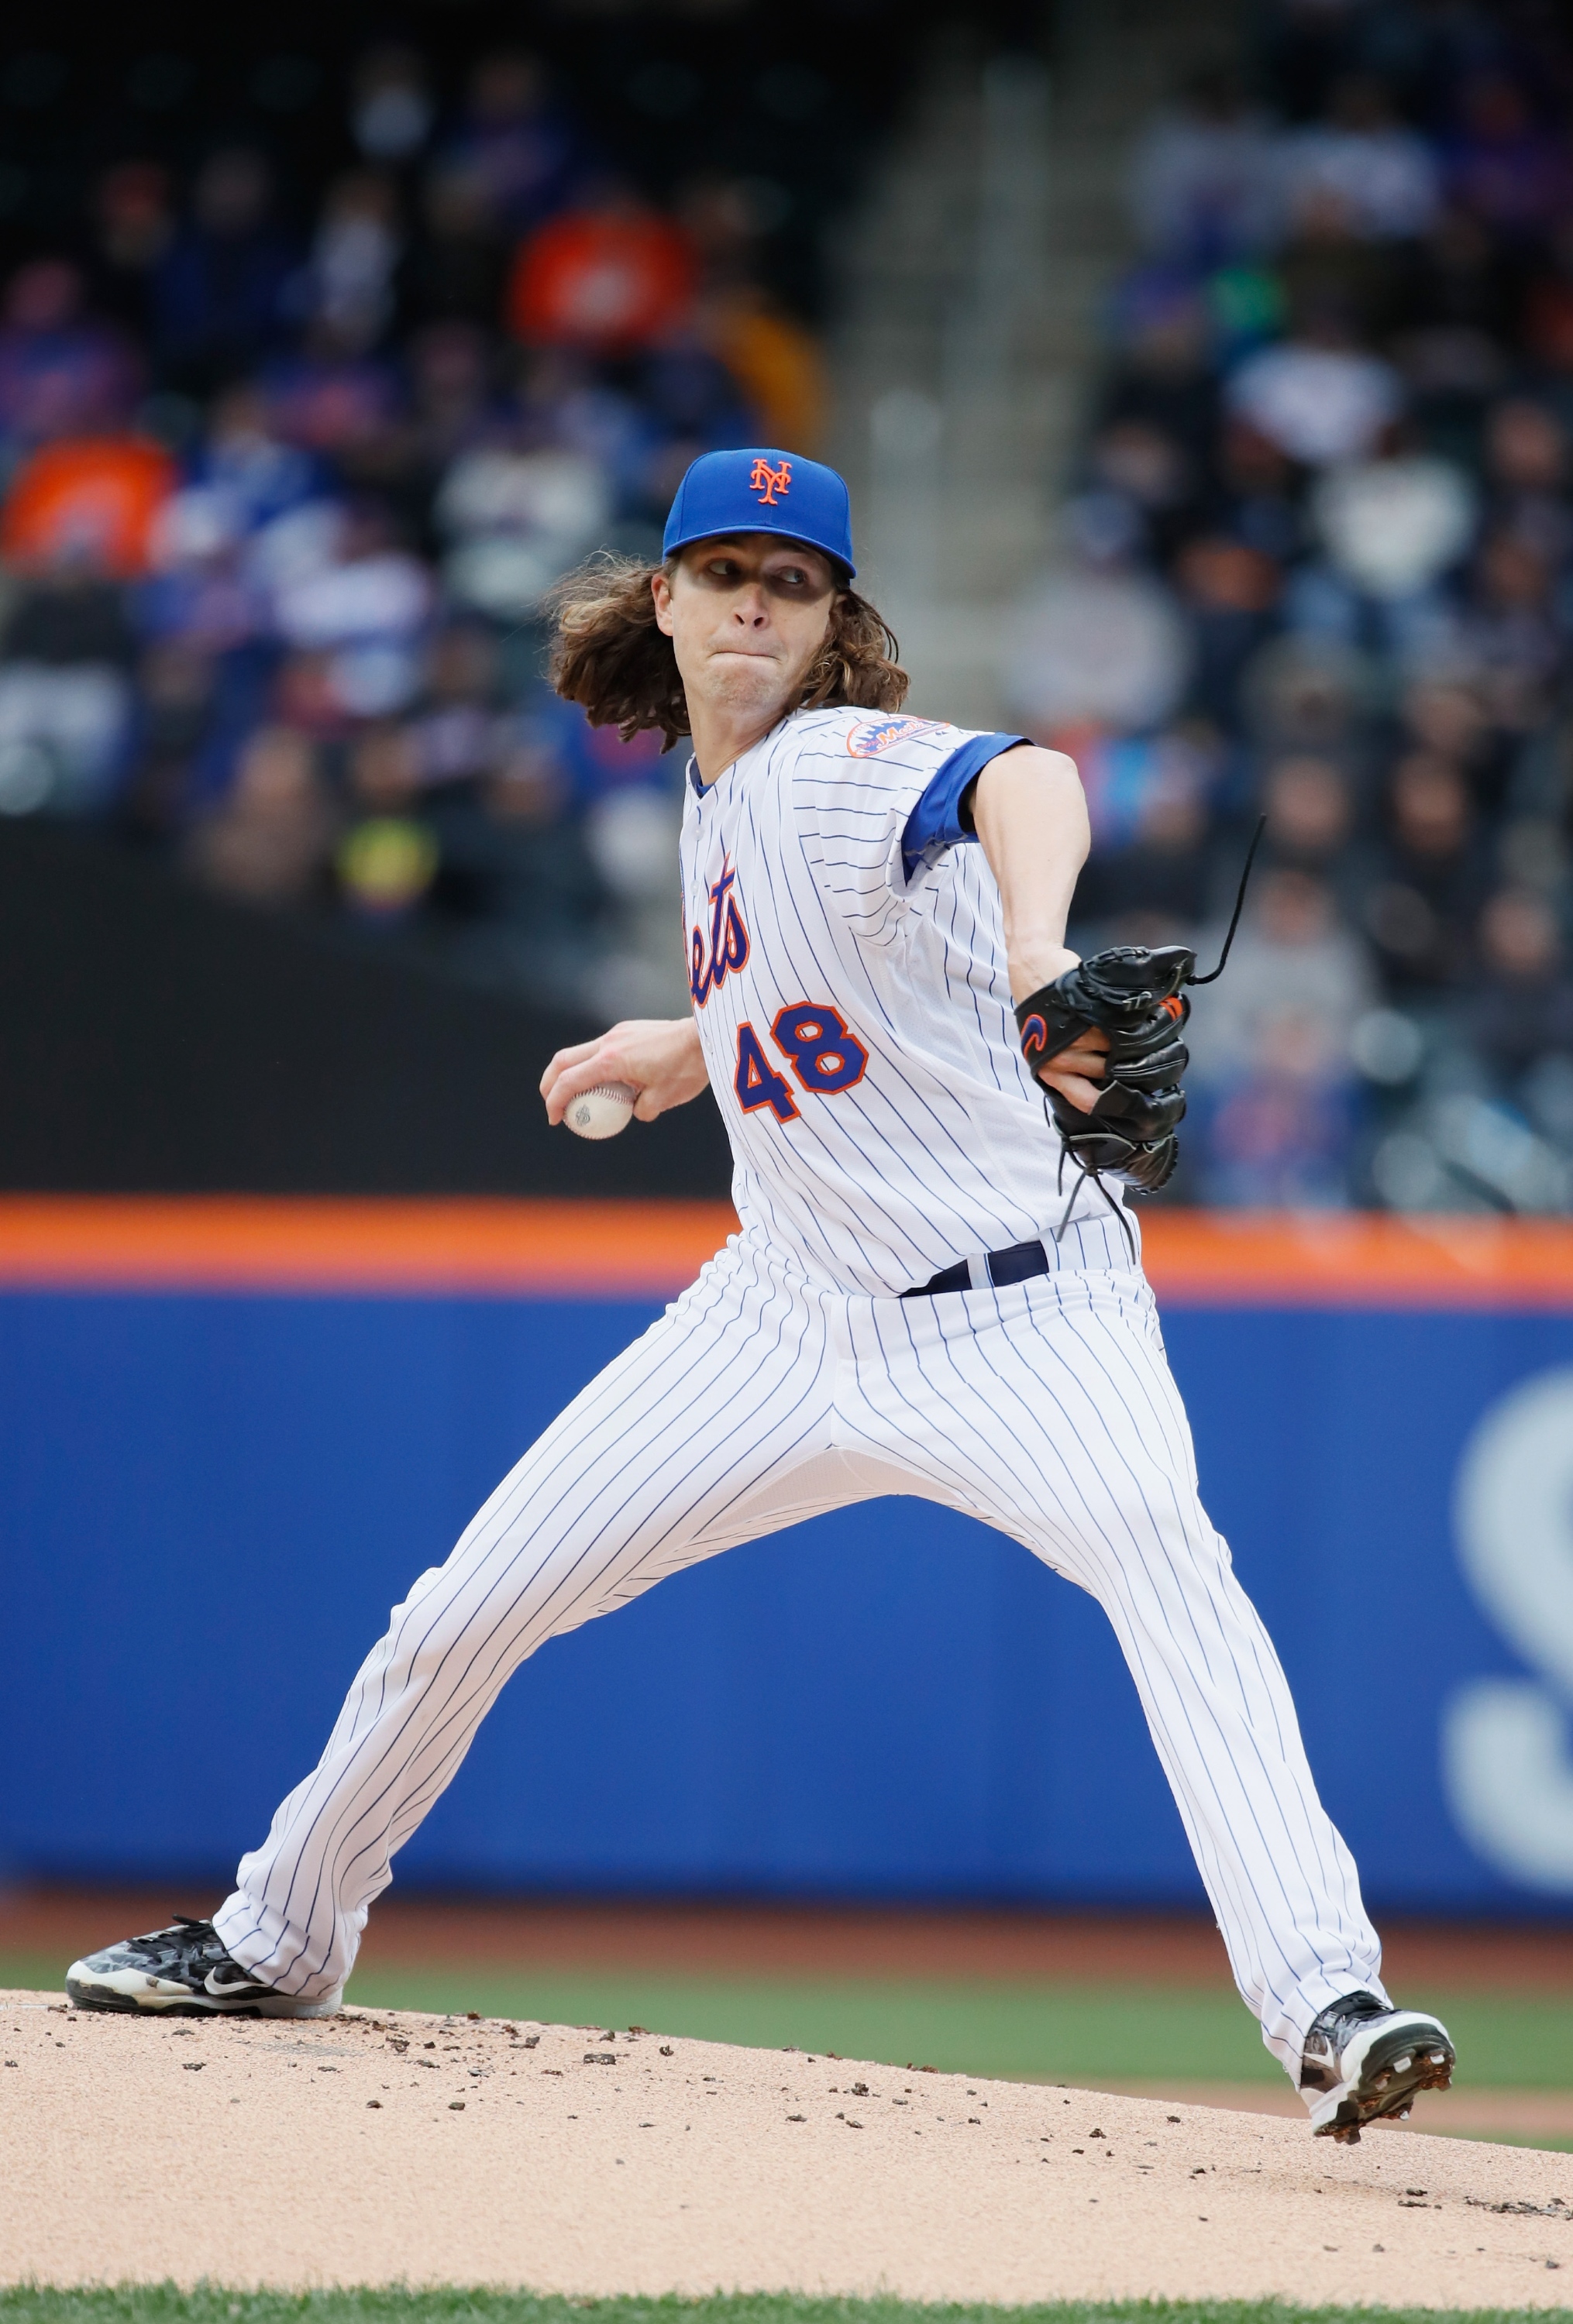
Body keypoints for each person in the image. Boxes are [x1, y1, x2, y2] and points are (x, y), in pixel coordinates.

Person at [66, 447, 1455, 2146]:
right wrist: (693, 1040)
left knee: (1176, 1585)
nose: (751, 603)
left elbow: (1025, 780)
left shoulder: (831, 763)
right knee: (462, 1609)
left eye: (789, 582)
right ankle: (279, 1939)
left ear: (832, 623)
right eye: (724, 571)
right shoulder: (716, 791)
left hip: (1022, 1322)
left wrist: (1036, 952)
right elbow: (814, 977)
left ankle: (1327, 1998)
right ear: (662, 599)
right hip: (780, 1315)